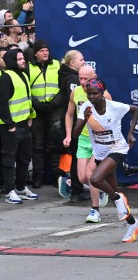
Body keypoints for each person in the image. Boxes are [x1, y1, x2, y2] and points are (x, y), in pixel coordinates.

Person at [72, 79, 138, 242]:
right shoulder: (85, 108)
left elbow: (136, 109)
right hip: (100, 154)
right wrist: (84, 119)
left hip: (117, 149)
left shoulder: (114, 107)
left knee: (95, 179)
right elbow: (75, 134)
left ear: (103, 93)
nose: (92, 96)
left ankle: (119, 198)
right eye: (89, 93)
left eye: (95, 93)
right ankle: (133, 223)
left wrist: (131, 133)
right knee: (113, 191)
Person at [63, 65, 111, 221]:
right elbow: (69, 114)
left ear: (94, 77)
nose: (83, 82)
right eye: (80, 78)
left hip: (98, 140)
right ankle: (101, 188)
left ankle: (94, 210)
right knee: (82, 178)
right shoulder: (75, 92)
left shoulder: (105, 95)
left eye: (87, 79)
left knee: (91, 176)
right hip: (83, 139)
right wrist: (69, 135)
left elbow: (112, 120)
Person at [1, 49, 38, 204]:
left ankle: (21, 188)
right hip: (10, 127)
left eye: (23, 58)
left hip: (24, 125)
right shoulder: (6, 78)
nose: (24, 61)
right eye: (20, 59)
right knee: (9, 159)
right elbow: (2, 103)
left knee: (24, 158)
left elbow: (26, 100)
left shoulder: (23, 75)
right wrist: (10, 125)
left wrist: (30, 117)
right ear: (11, 61)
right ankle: (9, 191)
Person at [28, 40, 62, 187]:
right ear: (35, 53)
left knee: (55, 144)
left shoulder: (57, 65)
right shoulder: (29, 68)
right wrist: (38, 105)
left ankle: (57, 178)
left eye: (46, 50)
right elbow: (26, 89)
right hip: (37, 112)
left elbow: (63, 87)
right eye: (42, 50)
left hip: (54, 110)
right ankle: (37, 177)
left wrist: (52, 104)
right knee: (37, 146)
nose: (45, 53)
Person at [56, 49, 87, 202]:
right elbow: (73, 108)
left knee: (78, 157)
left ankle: (78, 186)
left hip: (76, 124)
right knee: (78, 157)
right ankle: (76, 190)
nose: (84, 62)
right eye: (81, 60)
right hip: (76, 125)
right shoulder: (73, 80)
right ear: (72, 63)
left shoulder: (66, 76)